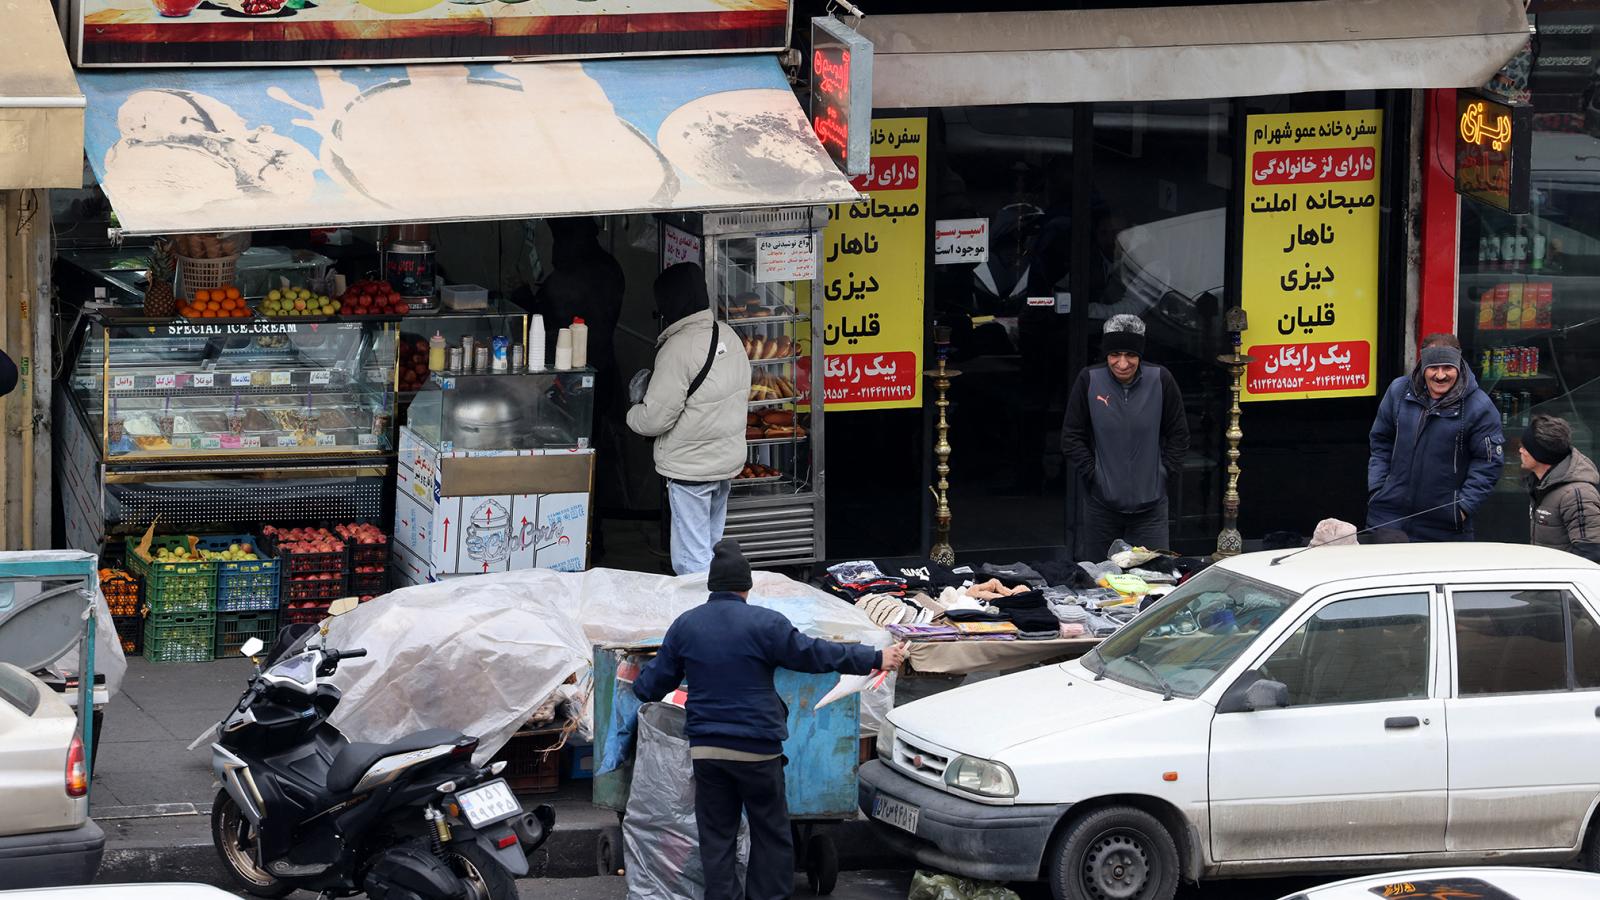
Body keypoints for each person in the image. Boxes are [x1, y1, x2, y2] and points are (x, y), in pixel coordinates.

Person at [632, 540, 909, 900]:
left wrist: (637, 683)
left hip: (708, 751)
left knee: (717, 837)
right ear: (747, 586)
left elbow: (650, 686)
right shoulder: (766, 624)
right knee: (770, 833)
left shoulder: (686, 626)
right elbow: (814, 654)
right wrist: (875, 656)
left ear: (711, 586)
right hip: (758, 751)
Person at [626, 263, 751, 575]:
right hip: (725, 463)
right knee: (712, 547)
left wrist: (633, 410)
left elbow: (655, 419)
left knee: (691, 560)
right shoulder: (730, 336)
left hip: (691, 469)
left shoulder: (677, 348)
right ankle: (719, 610)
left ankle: (702, 616)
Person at [1061, 314, 1189, 560]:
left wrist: (1165, 472)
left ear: (1140, 355)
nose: (1122, 363)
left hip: (1151, 508)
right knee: (1100, 580)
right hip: (1102, 507)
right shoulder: (1089, 380)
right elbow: (1071, 437)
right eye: (1114, 355)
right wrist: (1094, 473)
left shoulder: (1161, 379)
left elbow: (1179, 434)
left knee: (1153, 580)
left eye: (1130, 355)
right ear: (1105, 355)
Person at [1367, 334, 1504, 541]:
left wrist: (1462, 508)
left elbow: (1488, 463)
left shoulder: (1479, 407)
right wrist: (1378, 489)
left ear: (1458, 365)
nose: (1440, 376)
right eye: (1433, 368)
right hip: (1388, 518)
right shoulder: (1398, 391)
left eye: (1447, 368)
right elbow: (1381, 441)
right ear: (1423, 367)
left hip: (1445, 528)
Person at [1520, 413, 1600, 561]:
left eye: (1526, 447)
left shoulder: (1577, 494)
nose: (1520, 451)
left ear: (1541, 454)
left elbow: (1590, 554)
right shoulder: (1541, 485)